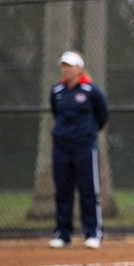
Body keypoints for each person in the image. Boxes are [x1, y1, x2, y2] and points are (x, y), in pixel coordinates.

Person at [48, 51, 108, 249]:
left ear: (79, 68)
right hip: (61, 147)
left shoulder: (91, 90)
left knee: (88, 190)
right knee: (63, 191)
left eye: (70, 65)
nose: (66, 69)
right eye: (64, 65)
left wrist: (88, 133)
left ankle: (93, 233)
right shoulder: (57, 91)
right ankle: (63, 234)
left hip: (84, 147)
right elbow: (55, 113)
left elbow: (103, 115)